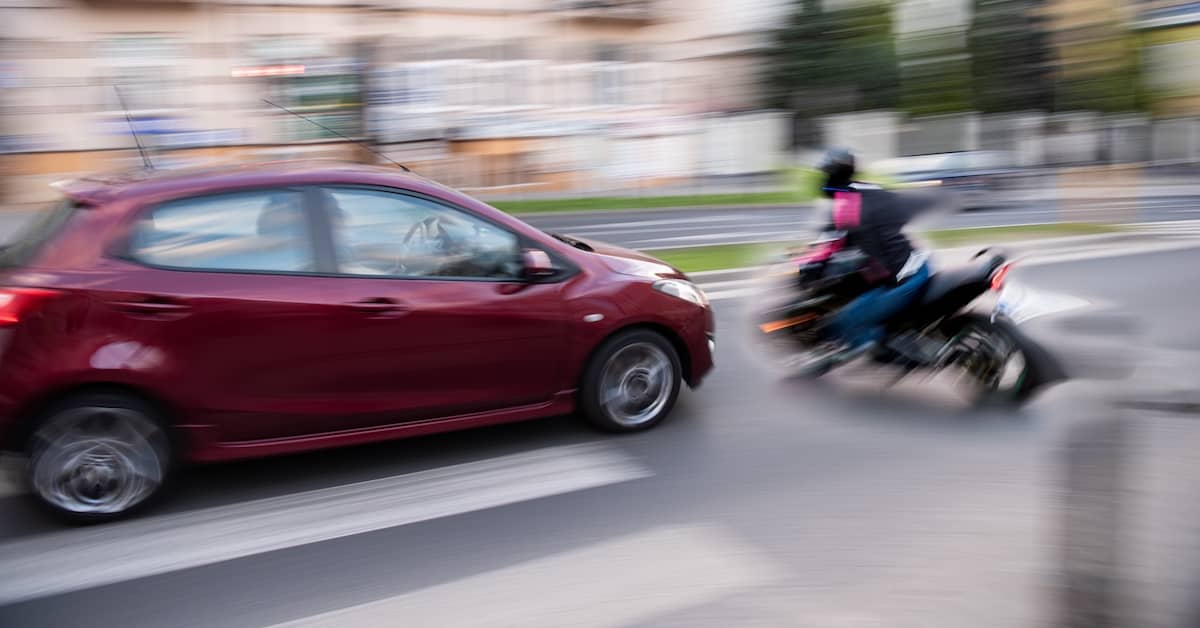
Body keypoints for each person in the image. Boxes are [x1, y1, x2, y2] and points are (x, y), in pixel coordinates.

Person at [803, 148, 936, 373]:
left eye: (825, 175)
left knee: (846, 320)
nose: (823, 180)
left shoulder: (846, 203)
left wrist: (809, 266)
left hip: (903, 279)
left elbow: (832, 245)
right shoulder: (872, 190)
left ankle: (885, 350)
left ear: (832, 175)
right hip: (919, 262)